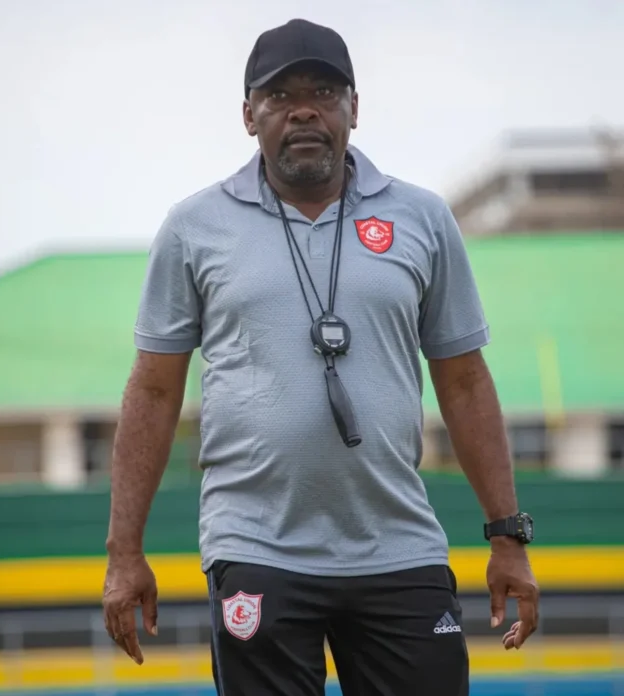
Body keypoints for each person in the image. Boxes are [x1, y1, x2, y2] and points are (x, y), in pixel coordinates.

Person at [103, 17, 540, 696]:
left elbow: (463, 382)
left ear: (354, 108)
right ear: (248, 115)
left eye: (324, 93)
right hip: (256, 545)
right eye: (280, 96)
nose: (304, 110)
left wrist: (507, 537)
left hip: (398, 545)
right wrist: (124, 552)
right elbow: (154, 391)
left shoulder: (421, 218)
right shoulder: (195, 227)